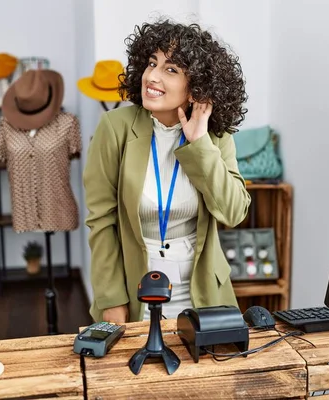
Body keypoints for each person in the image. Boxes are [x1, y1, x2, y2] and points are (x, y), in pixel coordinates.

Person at [83, 19, 251, 324]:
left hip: (202, 294)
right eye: (151, 63)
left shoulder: (215, 136)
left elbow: (234, 212)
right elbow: (101, 221)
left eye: (170, 70)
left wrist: (199, 144)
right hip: (136, 291)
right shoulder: (115, 128)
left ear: (195, 89)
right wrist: (112, 300)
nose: (152, 76)